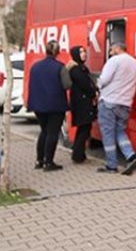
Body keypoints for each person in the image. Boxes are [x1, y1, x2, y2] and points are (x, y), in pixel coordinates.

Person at [97, 41, 136, 175]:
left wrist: (97, 86)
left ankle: (111, 165)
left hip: (109, 102)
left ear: (117, 49)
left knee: (108, 134)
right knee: (120, 132)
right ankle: (131, 156)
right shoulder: (135, 63)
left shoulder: (114, 60)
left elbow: (104, 80)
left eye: (111, 50)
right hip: (126, 104)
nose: (110, 53)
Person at [27, 40, 70, 171]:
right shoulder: (60, 67)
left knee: (44, 131)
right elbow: (67, 85)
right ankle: (48, 162)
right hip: (55, 105)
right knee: (52, 133)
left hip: (38, 105)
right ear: (58, 52)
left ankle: (39, 160)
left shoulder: (35, 66)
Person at [66, 46, 98, 164]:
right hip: (82, 104)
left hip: (82, 103)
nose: (84, 54)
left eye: (84, 51)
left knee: (84, 128)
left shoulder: (81, 68)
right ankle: (77, 155)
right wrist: (94, 92)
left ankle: (79, 154)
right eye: (81, 52)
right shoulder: (76, 70)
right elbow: (85, 85)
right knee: (84, 128)